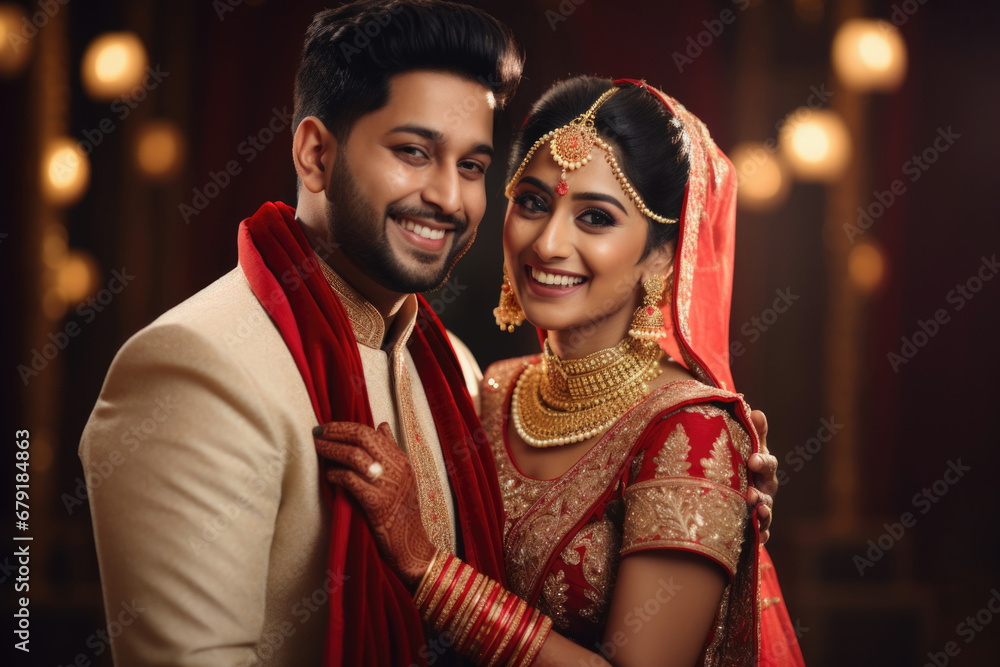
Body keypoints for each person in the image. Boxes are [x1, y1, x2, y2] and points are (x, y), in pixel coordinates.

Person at [79, 1, 779, 664]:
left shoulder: (449, 369)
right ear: (317, 155)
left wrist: (706, 492)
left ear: (663, 255)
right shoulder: (196, 367)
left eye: (472, 166)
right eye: (414, 151)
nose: (447, 197)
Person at [314, 76, 802, 665]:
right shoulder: (494, 390)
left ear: (661, 256)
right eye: (533, 203)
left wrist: (426, 568)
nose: (547, 244)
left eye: (595, 217)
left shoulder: (691, 433)